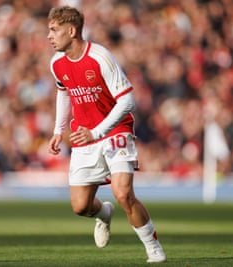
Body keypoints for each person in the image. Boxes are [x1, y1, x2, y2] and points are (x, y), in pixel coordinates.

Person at [46, 6, 166, 263]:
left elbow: (127, 102)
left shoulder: (101, 57)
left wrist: (98, 131)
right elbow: (64, 92)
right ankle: (103, 214)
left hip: (114, 129)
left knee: (123, 193)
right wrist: (59, 130)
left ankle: (152, 247)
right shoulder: (57, 63)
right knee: (80, 207)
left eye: (54, 30)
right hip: (84, 136)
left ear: (71, 30)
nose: (49, 36)